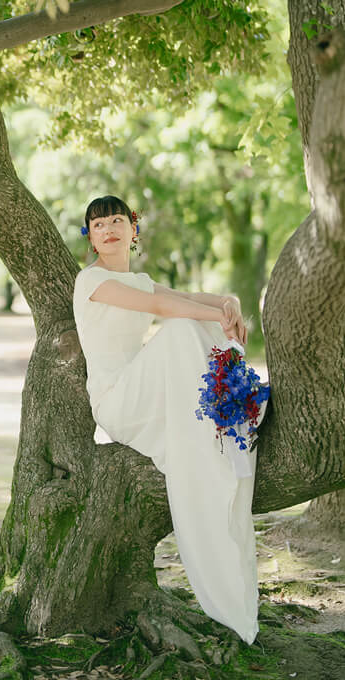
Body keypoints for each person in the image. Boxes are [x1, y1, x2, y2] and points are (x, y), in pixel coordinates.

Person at [73, 194, 262, 645]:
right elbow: (163, 309)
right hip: (117, 398)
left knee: (189, 324)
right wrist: (217, 315)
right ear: (91, 238)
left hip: (146, 393)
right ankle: (215, 414)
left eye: (118, 220)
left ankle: (223, 413)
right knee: (180, 330)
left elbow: (184, 295)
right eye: (99, 225)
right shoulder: (90, 281)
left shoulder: (139, 277)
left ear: (134, 230)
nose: (109, 229)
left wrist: (228, 301)